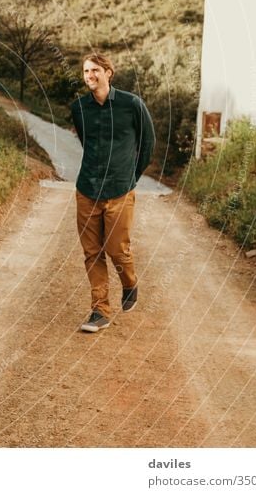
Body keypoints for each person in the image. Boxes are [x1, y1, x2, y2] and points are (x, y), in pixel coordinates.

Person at [69, 52, 155, 333]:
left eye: (95, 70)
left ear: (108, 73)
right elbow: (86, 142)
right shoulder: (79, 108)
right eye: (85, 71)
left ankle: (129, 283)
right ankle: (100, 310)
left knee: (117, 250)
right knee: (91, 252)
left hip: (120, 190)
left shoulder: (132, 105)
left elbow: (148, 144)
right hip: (87, 190)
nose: (89, 76)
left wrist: (131, 177)